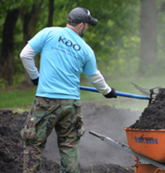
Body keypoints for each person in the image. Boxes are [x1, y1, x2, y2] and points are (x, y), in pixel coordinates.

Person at [20, 7, 117, 173]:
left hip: (46, 102)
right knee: (69, 147)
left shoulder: (48, 33)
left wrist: (35, 77)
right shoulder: (86, 49)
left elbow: (25, 55)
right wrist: (108, 92)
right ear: (80, 25)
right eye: (87, 25)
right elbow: (95, 77)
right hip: (71, 104)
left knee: (34, 143)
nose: (87, 28)